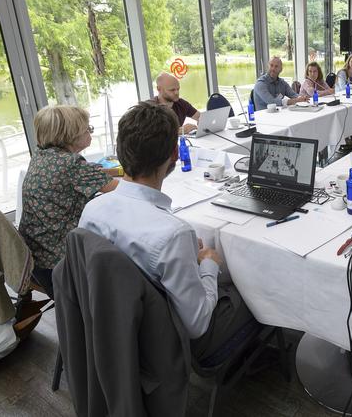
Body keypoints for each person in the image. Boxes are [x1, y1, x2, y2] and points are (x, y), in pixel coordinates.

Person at [79, 102, 255, 355]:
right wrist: (208, 263)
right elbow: (197, 325)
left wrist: (181, 255)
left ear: (120, 152)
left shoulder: (92, 209)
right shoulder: (174, 234)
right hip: (165, 344)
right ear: (174, 154)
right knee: (247, 289)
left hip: (114, 327)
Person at [19, 105, 119, 297]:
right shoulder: (71, 165)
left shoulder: (41, 155)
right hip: (61, 266)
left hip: (36, 257)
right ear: (70, 135)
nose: (90, 132)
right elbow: (125, 191)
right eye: (87, 129)